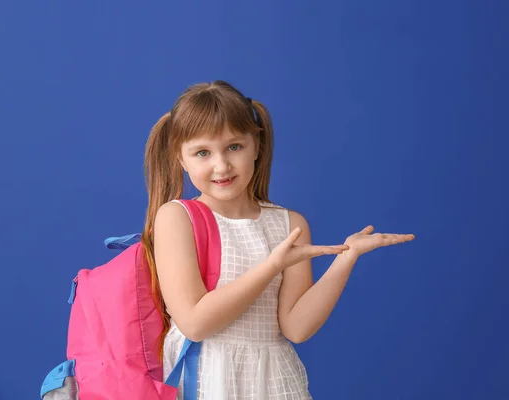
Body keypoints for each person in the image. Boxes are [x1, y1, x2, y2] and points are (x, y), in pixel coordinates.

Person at [141, 80, 415, 399]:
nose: (221, 165)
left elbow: (296, 328)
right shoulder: (177, 218)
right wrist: (272, 266)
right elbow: (195, 323)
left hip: (273, 380)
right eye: (202, 152)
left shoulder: (289, 224)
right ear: (181, 159)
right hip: (207, 379)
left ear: (256, 146)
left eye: (234, 146)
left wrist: (347, 257)